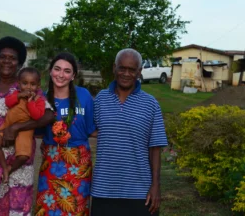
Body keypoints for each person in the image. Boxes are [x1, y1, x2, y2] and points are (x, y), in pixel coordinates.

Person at [0, 36, 54, 215]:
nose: (7, 61)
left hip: (19, 162)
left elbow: (48, 115)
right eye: (3, 56)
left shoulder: (27, 88)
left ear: (19, 63)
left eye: (12, 58)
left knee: (16, 207)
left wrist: (17, 128)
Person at [91, 48, 168, 216]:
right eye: (122, 68)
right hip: (103, 190)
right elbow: (88, 130)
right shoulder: (100, 100)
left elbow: (155, 148)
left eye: (132, 70)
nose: (126, 73)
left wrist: (156, 186)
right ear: (114, 68)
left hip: (139, 192)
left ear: (139, 72)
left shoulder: (151, 104)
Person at [35, 52, 96, 216]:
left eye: (67, 71)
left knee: (75, 209)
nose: (61, 75)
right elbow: (38, 132)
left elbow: (92, 129)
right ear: (50, 71)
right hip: (52, 162)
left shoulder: (84, 96)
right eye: (57, 69)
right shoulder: (42, 99)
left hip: (79, 162)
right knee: (48, 209)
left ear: (73, 75)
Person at [0, 67, 45, 183]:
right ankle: (5, 167)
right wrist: (19, 96)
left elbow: (36, 116)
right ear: (19, 84)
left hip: (25, 130)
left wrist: (30, 102)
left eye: (33, 84)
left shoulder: (39, 100)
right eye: (25, 83)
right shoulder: (16, 94)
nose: (29, 87)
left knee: (24, 156)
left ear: (38, 86)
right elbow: (8, 102)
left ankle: (11, 168)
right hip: (7, 125)